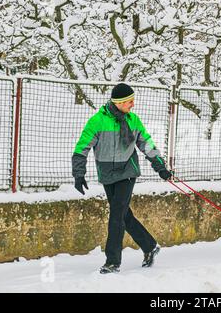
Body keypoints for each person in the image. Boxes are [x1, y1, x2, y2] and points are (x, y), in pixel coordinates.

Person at [72, 83, 173, 274]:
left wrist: (160, 166)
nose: (132, 105)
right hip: (108, 174)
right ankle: (150, 246)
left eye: (132, 101)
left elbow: (147, 143)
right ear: (117, 103)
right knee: (124, 215)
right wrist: (79, 174)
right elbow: (82, 148)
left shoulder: (133, 120)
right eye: (129, 102)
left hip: (128, 171)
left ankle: (112, 262)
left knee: (116, 215)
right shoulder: (97, 122)